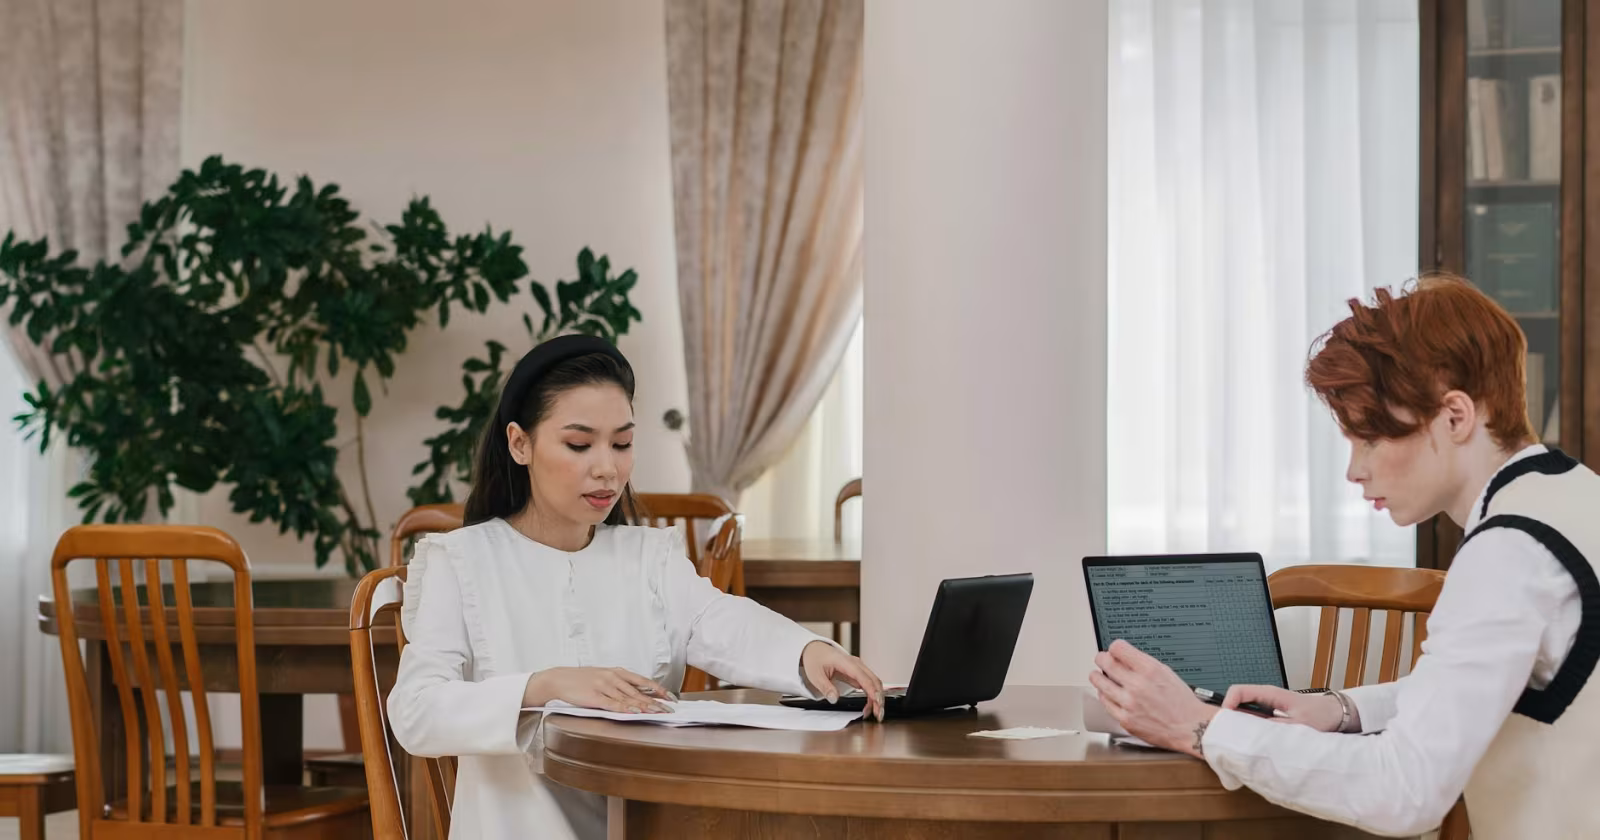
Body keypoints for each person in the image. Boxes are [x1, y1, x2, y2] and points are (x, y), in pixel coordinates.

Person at [1089, 275, 1599, 838]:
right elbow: (1481, 687)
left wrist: (1198, 727)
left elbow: (1406, 790)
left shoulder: (1507, 551)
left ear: (1455, 417)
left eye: (1370, 439)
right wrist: (1339, 710)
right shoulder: (1576, 496)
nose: (1354, 470)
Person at [388, 334, 885, 840]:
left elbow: (720, 620)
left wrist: (807, 650)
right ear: (520, 444)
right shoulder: (461, 560)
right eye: (579, 444)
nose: (608, 468)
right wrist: (545, 685)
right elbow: (416, 710)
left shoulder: (649, 557)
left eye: (622, 443)